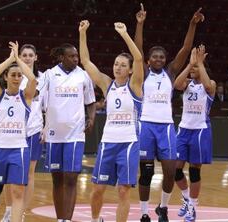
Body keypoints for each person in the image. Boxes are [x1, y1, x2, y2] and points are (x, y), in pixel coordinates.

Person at [134, 4, 204, 221]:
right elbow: (137, 48)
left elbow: (185, 48)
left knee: (170, 172)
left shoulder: (171, 73)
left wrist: (192, 24)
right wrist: (140, 24)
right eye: (154, 57)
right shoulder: (143, 72)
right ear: (147, 61)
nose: (158, 60)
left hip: (165, 127)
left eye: (161, 57)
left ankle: (162, 208)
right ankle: (144, 213)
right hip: (146, 126)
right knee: (146, 173)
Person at [79, 20, 144, 222]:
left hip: (128, 144)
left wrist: (125, 34)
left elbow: (139, 58)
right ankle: (95, 219)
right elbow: (86, 62)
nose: (118, 67)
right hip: (108, 143)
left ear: (130, 70)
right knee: (98, 189)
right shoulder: (108, 84)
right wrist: (82, 33)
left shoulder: (135, 86)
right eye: (116, 64)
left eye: (123, 65)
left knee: (124, 191)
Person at [43, 42, 96, 222]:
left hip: (75, 133)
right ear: (61, 57)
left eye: (76, 56)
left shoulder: (83, 75)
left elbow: (90, 101)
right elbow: (37, 98)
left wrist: (92, 118)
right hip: (53, 134)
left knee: (71, 177)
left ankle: (67, 219)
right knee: (57, 179)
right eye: (71, 56)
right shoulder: (50, 75)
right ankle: (60, 219)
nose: (75, 59)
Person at [0, 41, 37, 222]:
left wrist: (20, 62)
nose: (17, 78)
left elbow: (33, 80)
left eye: (19, 75)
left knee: (18, 192)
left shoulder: (27, 97)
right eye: (13, 75)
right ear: (6, 77)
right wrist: (10, 59)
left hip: (19, 150)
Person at [1, 44, 45, 222]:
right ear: (19, 57)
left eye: (30, 55)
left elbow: (47, 104)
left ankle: (22, 213)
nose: (27, 57)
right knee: (9, 174)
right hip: (14, 131)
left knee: (29, 173)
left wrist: (45, 126)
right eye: (23, 55)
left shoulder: (42, 79)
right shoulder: (14, 77)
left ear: (36, 57)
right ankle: (9, 211)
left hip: (34, 130)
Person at [173, 45, 215, 222]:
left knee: (194, 171)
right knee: (175, 169)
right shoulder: (187, 84)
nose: (193, 69)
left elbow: (207, 84)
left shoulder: (210, 85)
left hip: (200, 131)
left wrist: (200, 63)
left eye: (196, 67)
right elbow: (176, 84)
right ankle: (186, 198)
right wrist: (190, 65)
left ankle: (192, 206)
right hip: (183, 129)